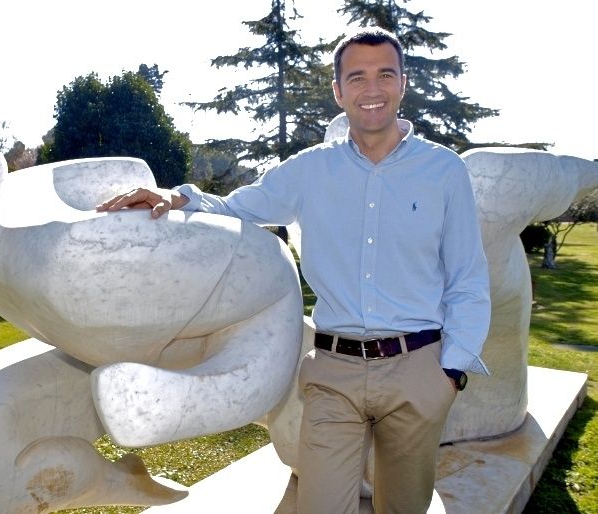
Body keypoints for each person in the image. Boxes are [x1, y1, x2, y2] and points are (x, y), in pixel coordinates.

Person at [97, 26, 490, 514]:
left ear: (403, 83)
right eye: (358, 77)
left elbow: (468, 280)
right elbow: (237, 207)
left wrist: (451, 372)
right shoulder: (309, 170)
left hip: (418, 370)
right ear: (338, 90)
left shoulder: (444, 171)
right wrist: (175, 196)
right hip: (334, 373)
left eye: (385, 74)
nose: (373, 89)